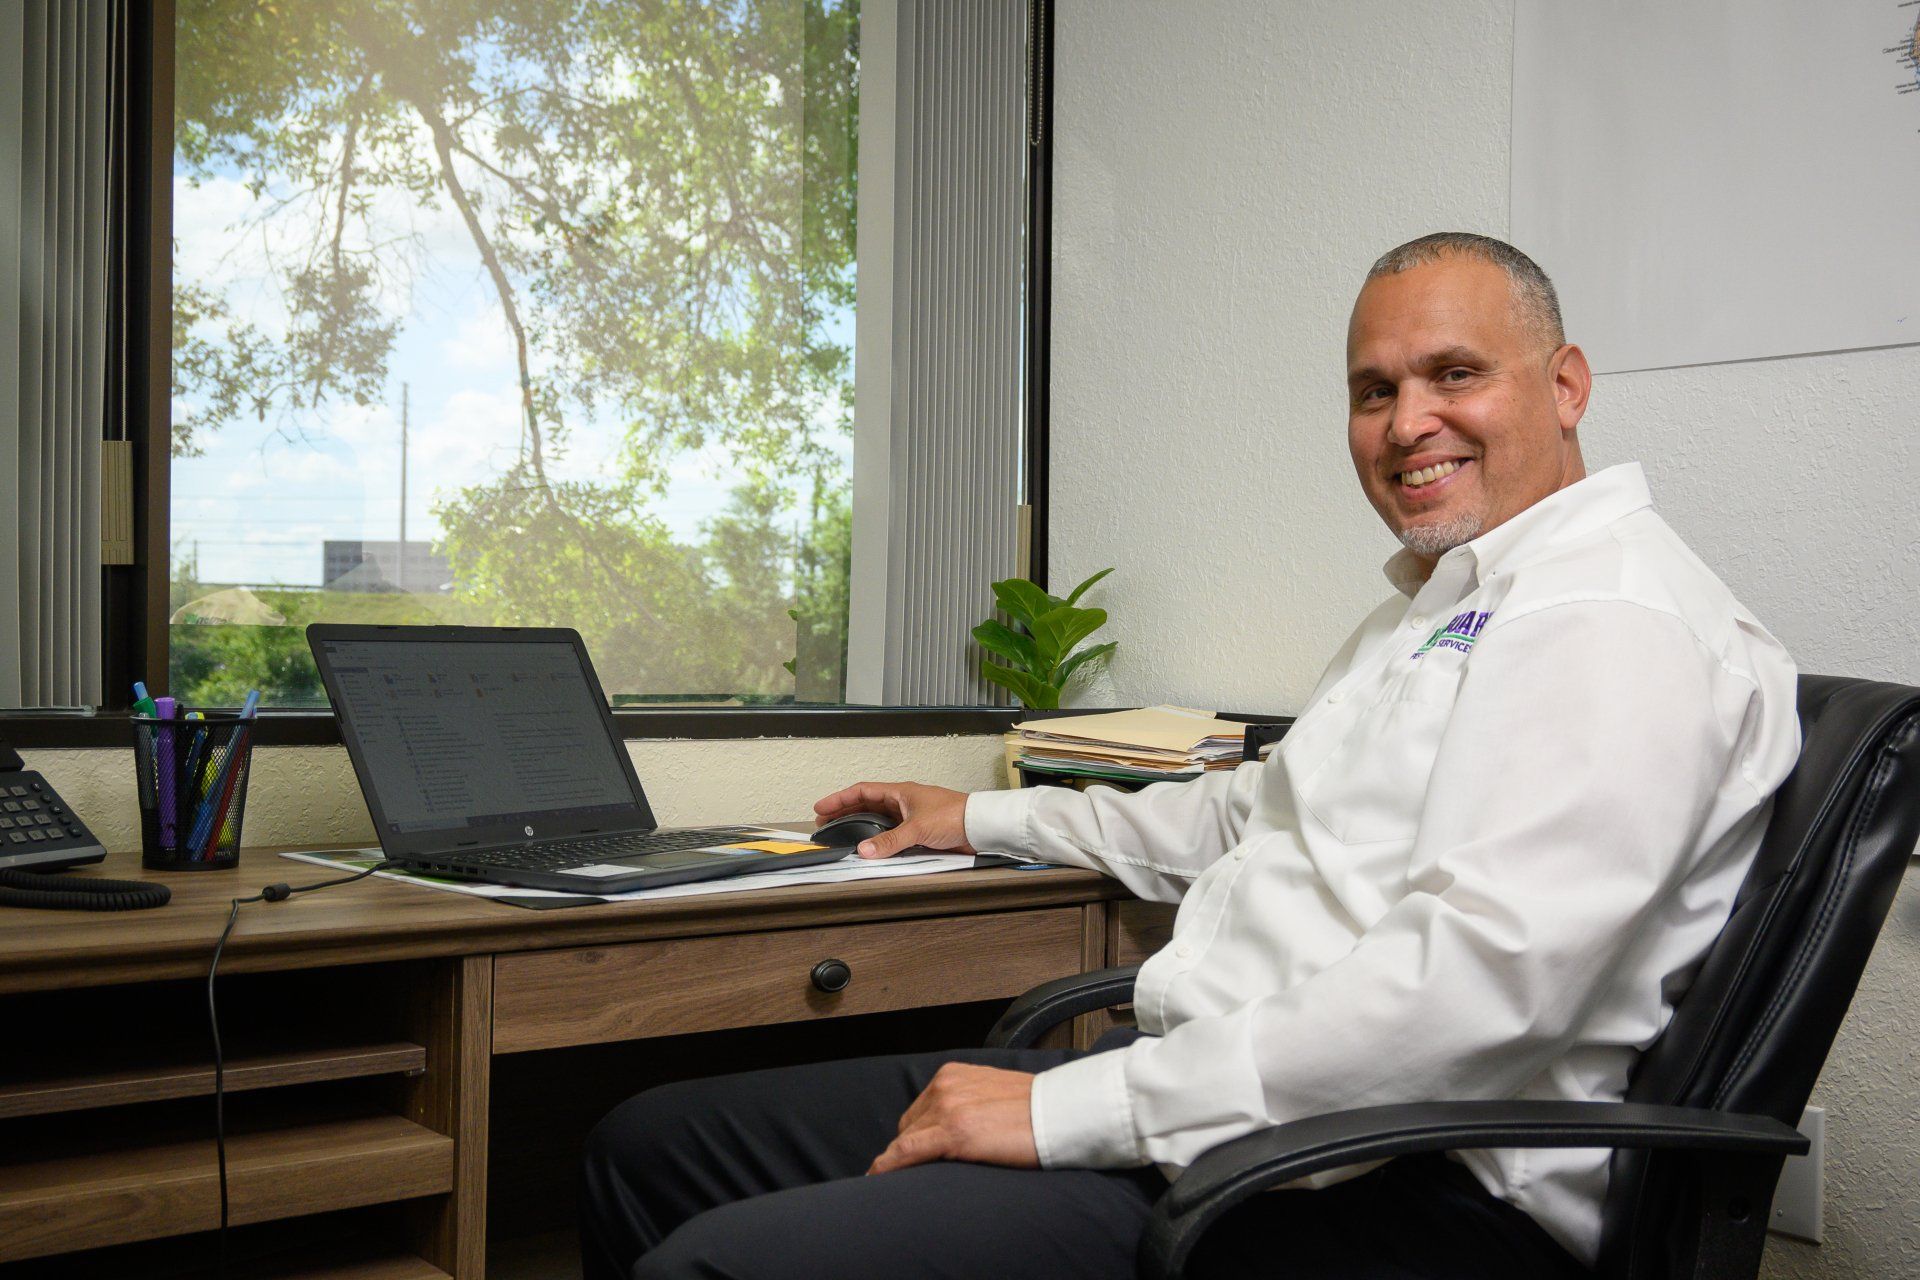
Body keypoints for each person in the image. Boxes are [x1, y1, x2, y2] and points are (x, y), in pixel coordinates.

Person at [579, 232, 1801, 1279]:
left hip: (1393, 1185)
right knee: (649, 1142)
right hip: (1230, 1101)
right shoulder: (1438, 608)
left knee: (717, 1263)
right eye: (1373, 390)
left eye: (1455, 374)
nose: (1407, 421)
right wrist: (984, 820)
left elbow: (1475, 994)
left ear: (1568, 383)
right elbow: (1251, 813)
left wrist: (1071, 1105)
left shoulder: (1613, 617)